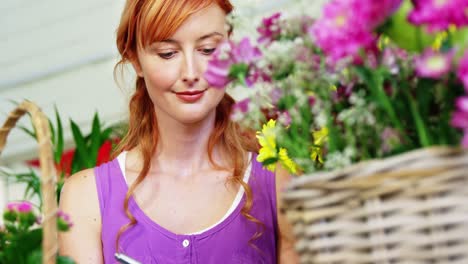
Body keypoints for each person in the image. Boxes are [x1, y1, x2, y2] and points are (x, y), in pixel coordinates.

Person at [58, 0, 298, 263]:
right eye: (167, 53)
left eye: (208, 50)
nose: (191, 73)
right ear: (135, 59)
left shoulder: (280, 180)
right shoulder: (85, 197)